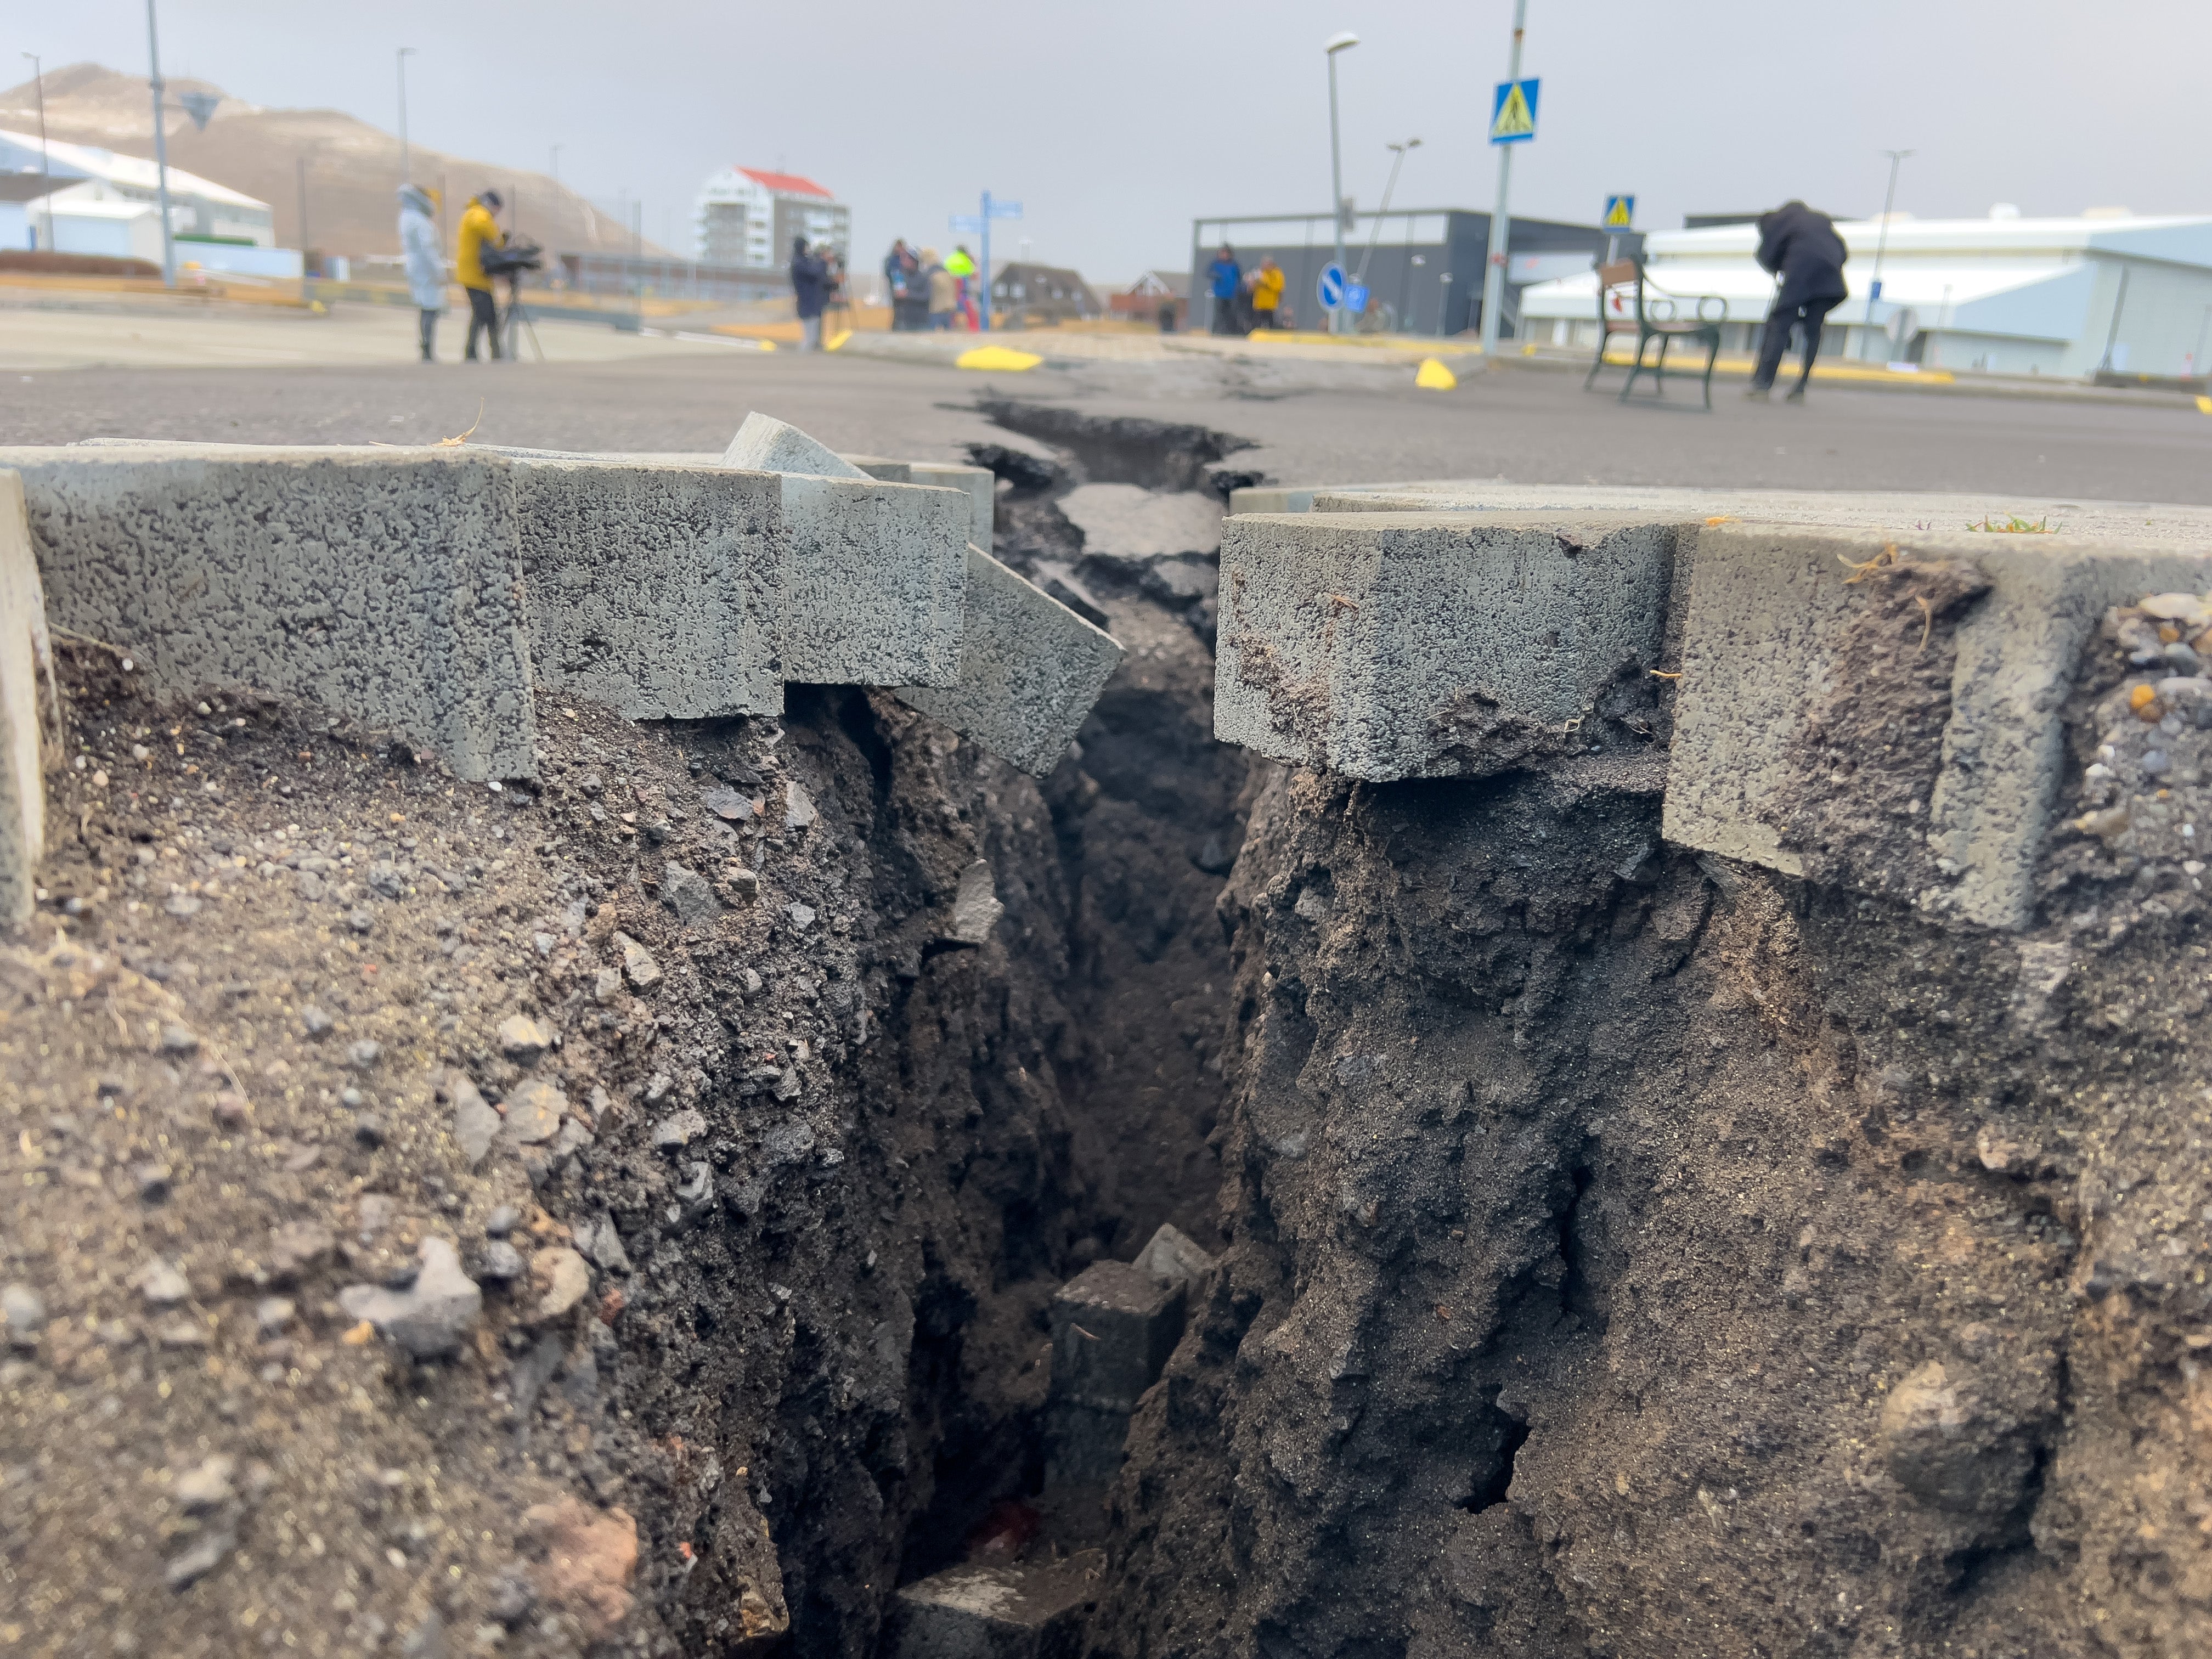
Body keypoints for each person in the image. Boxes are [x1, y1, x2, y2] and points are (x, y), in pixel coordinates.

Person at [1749, 200, 1850, 401]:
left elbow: (1765, 255)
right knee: (1813, 329)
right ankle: (1801, 387)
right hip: (1829, 277)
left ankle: (1763, 385)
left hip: (1800, 274)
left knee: (1779, 324)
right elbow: (1843, 252)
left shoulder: (1776, 221)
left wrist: (1780, 270)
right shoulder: (1820, 220)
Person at [455, 189, 506, 362]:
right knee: (487, 314)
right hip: (474, 275)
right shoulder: (478, 213)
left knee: (482, 314)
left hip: (477, 276)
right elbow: (486, 228)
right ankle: (491, 354)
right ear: (492, 206)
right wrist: (498, 239)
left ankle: (474, 352)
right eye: (496, 210)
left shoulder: (473, 212)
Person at [397, 183, 444, 363]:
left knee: (425, 307)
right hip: (425, 268)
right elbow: (428, 249)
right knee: (430, 308)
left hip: (415, 267)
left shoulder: (406, 217)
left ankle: (426, 347)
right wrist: (439, 271)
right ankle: (427, 350)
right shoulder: (420, 221)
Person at [790, 236, 828, 351]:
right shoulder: (799, 263)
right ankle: (805, 355)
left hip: (810, 301)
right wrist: (822, 261)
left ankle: (808, 353)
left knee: (812, 333)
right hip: (807, 301)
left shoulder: (802, 261)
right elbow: (814, 273)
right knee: (809, 336)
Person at [1207, 244, 1243, 335]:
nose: (1225, 255)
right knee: (1220, 314)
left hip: (1232, 294)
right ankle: (1218, 331)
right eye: (1223, 253)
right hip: (1220, 293)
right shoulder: (1215, 264)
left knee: (1231, 313)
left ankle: (1230, 331)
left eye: (1227, 253)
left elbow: (1239, 277)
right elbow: (1207, 273)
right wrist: (1216, 276)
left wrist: (1238, 288)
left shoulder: (1234, 265)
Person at [923, 247, 957, 331]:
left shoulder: (930, 274)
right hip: (949, 308)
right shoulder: (947, 273)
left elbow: (927, 294)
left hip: (935, 310)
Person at [1248, 255, 1285, 330]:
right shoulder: (1259, 273)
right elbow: (1251, 288)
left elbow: (1278, 287)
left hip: (1271, 305)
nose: (1264, 266)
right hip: (1259, 304)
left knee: (1271, 324)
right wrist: (1252, 283)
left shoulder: (1277, 273)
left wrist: (1266, 284)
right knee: (1257, 325)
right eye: (1263, 264)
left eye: (1266, 264)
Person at [946, 244, 978, 330]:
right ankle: (971, 329)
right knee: (968, 312)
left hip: (950, 291)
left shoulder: (950, 259)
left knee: (952, 314)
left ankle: (950, 328)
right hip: (962, 291)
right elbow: (974, 276)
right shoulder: (966, 260)